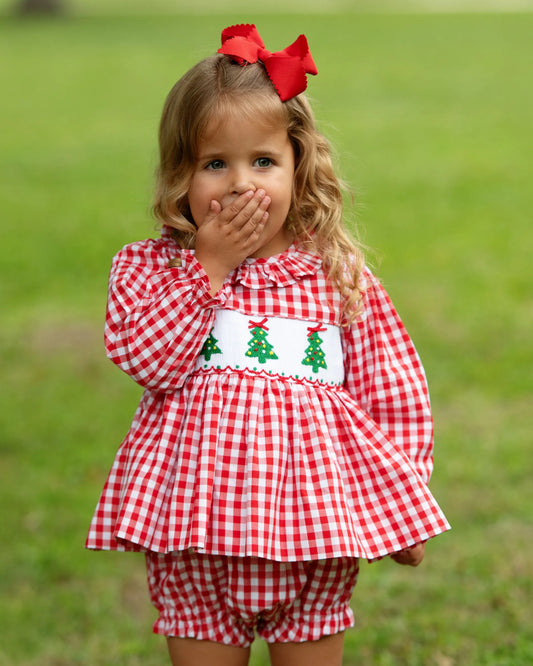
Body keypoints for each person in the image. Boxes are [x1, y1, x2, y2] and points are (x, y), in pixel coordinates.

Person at [86, 23, 450, 666]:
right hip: (195, 540)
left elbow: (392, 389)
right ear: (181, 174)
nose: (240, 184)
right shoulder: (154, 270)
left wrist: (407, 504)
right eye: (214, 164)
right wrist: (210, 265)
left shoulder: (335, 274)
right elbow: (146, 360)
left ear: (297, 164)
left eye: (262, 161)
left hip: (313, 537)